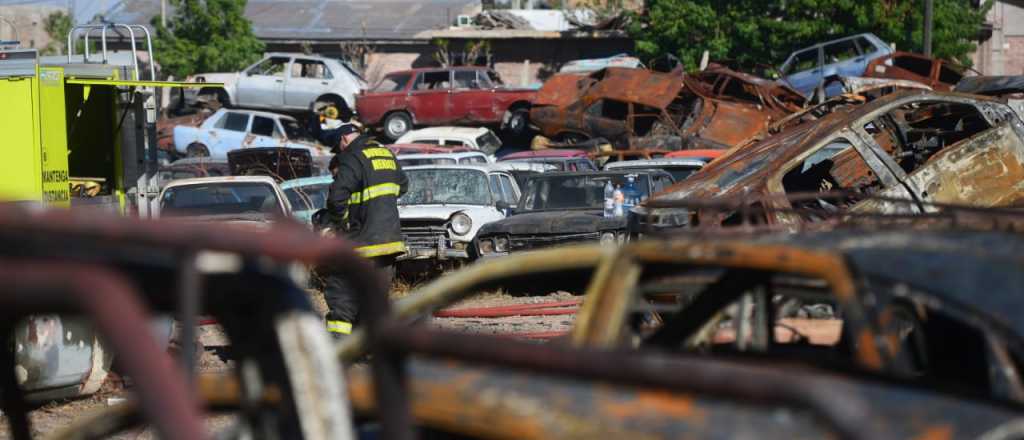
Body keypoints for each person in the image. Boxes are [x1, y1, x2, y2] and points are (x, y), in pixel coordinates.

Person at [319, 124, 408, 338]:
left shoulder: (352, 156)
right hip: (390, 242)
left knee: (342, 294)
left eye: (338, 147)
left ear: (344, 139)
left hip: (362, 241)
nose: (339, 152)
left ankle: (339, 347)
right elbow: (403, 185)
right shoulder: (386, 154)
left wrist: (340, 225)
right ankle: (370, 349)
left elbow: (337, 198)